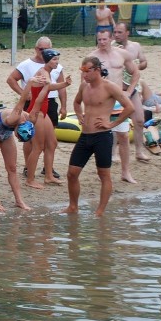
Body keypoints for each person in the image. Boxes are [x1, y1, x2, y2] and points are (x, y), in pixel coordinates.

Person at [63, 56, 134, 216]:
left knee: (103, 174)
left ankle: (100, 212)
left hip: (102, 136)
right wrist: (80, 115)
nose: (84, 74)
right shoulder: (84, 86)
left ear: (97, 70)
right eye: (82, 71)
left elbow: (129, 107)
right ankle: (73, 206)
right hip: (85, 135)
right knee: (72, 173)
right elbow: (76, 102)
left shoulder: (110, 87)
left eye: (87, 71)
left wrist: (112, 124)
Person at [6, 36, 66, 178]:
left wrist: (64, 106)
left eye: (46, 49)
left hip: (48, 104)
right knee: (32, 141)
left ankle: (48, 170)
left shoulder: (55, 67)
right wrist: (24, 93)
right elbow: (11, 79)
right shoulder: (27, 65)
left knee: (50, 142)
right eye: (41, 49)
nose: (43, 52)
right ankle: (29, 169)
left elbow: (58, 88)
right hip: (34, 106)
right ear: (35, 49)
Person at [90, 29, 139, 184]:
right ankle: (103, 172)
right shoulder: (93, 57)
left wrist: (129, 91)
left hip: (118, 99)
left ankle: (126, 172)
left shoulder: (122, 54)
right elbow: (84, 79)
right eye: (99, 40)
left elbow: (135, 73)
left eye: (105, 39)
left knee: (123, 136)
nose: (102, 42)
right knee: (101, 137)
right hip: (101, 101)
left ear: (110, 38)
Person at [24, 49, 72, 189]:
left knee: (52, 143)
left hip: (43, 112)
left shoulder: (47, 72)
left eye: (58, 59)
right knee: (38, 147)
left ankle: (49, 176)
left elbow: (49, 86)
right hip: (36, 112)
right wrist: (64, 84)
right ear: (47, 60)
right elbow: (49, 85)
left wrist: (64, 84)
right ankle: (30, 179)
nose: (57, 62)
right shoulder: (43, 72)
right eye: (54, 60)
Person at [0, 81, 35, 213]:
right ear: (17, 129)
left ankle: (19, 200)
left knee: (12, 168)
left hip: (6, 134)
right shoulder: (14, 117)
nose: (18, 139)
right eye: (18, 137)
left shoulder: (30, 118)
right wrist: (30, 83)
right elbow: (22, 99)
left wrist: (46, 86)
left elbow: (39, 101)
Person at [113, 22, 150, 162]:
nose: (116, 35)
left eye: (119, 32)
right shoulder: (111, 47)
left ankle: (139, 151)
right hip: (117, 89)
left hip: (132, 88)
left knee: (139, 120)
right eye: (115, 32)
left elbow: (144, 62)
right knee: (116, 121)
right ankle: (113, 153)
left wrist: (137, 66)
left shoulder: (136, 46)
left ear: (127, 33)